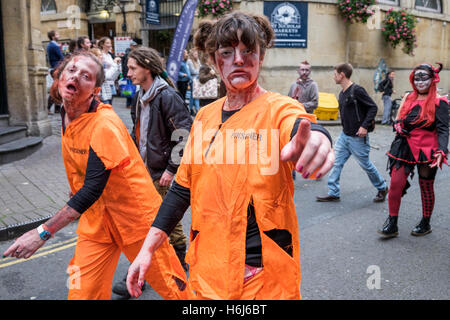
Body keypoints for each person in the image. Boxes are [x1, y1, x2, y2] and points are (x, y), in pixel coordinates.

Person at [126, 12, 334, 300]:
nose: (238, 59)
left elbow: (297, 123)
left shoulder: (277, 109)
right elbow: (180, 192)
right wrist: (147, 249)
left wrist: (318, 137)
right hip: (207, 273)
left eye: (248, 51)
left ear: (261, 58)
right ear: (214, 61)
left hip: (261, 278)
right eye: (227, 52)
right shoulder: (203, 117)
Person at [2, 51, 186, 300]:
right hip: (97, 220)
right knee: (82, 292)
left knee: (175, 290)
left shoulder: (104, 124)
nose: (76, 76)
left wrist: (42, 232)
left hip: (136, 221)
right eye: (72, 70)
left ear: (96, 90)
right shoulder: (65, 112)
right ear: (59, 76)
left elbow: (92, 188)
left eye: (86, 76)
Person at [110, 46, 192, 299]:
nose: (128, 72)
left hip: (162, 173)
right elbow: (141, 135)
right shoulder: (141, 96)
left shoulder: (166, 96)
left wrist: (171, 169)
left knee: (156, 225)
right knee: (160, 224)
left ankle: (151, 273)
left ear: (147, 67)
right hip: (145, 172)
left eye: (133, 68)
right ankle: (176, 266)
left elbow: (185, 135)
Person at [378, 63, 448, 238]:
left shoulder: (440, 102)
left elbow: (443, 129)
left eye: (424, 77)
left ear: (433, 79)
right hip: (404, 146)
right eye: (416, 78)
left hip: (427, 148)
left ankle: (425, 222)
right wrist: (398, 126)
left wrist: (441, 150)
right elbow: (398, 119)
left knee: (426, 186)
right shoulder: (408, 98)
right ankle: (392, 223)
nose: (419, 81)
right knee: (395, 184)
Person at [316, 63, 388, 203]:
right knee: (336, 162)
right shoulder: (342, 93)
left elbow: (373, 107)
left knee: (366, 165)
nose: (333, 77)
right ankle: (334, 192)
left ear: (342, 75)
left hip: (357, 138)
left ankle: (382, 187)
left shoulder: (357, 90)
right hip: (344, 136)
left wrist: (364, 126)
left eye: (335, 74)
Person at [46, 30, 64, 114]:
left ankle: (57, 108)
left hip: (54, 68)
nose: (59, 35)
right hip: (57, 68)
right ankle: (48, 107)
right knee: (56, 88)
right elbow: (61, 57)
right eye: (57, 34)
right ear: (53, 37)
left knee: (58, 89)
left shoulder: (50, 45)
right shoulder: (54, 46)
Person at [99, 37, 120, 103]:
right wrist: (114, 63)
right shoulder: (101, 55)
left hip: (111, 83)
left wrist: (118, 65)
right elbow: (104, 72)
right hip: (104, 84)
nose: (110, 45)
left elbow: (114, 69)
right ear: (102, 45)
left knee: (110, 104)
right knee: (106, 104)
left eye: (110, 43)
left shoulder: (109, 55)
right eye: (107, 43)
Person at [121, 40, 139, 109]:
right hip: (128, 74)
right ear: (131, 46)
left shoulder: (134, 53)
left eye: (135, 46)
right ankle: (129, 103)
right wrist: (126, 74)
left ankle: (131, 103)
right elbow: (125, 66)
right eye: (133, 46)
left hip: (132, 74)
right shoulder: (127, 54)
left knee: (132, 88)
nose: (135, 47)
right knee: (129, 88)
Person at [187, 48, 201, 115]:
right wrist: (198, 72)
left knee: (194, 95)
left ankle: (191, 108)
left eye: (197, 54)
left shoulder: (198, 60)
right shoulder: (189, 61)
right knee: (195, 95)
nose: (197, 55)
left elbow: (200, 68)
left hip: (197, 79)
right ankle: (197, 109)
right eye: (195, 54)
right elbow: (193, 71)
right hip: (193, 80)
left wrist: (198, 72)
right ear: (192, 55)